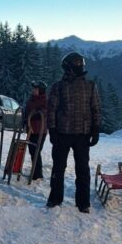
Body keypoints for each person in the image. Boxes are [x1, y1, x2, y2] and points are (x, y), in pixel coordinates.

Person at [46, 52, 101, 213]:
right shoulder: (62, 86)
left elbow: (95, 108)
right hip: (71, 134)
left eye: (80, 63)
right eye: (78, 63)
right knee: (67, 169)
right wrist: (53, 130)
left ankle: (74, 202)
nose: (80, 66)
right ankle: (70, 201)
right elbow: (52, 110)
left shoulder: (85, 85)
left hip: (74, 134)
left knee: (74, 169)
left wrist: (96, 129)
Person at [24, 81, 48, 180]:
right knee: (31, 150)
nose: (33, 90)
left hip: (40, 130)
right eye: (33, 89)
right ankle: (35, 171)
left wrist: (38, 113)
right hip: (31, 129)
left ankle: (37, 173)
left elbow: (47, 111)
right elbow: (27, 110)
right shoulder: (31, 99)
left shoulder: (45, 100)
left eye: (36, 89)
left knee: (36, 151)